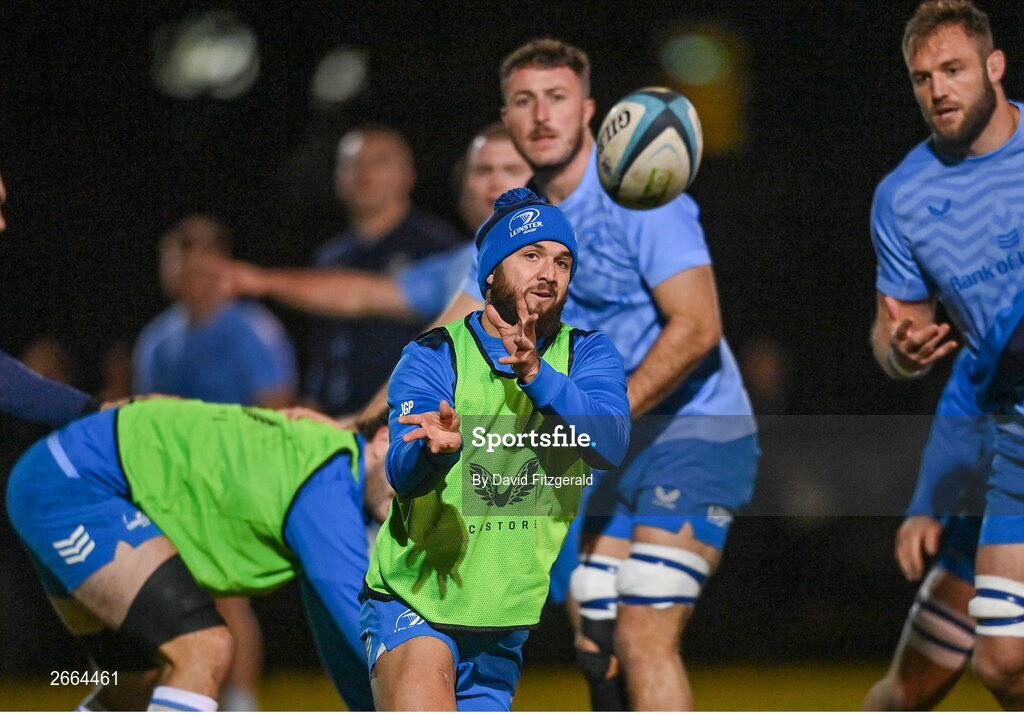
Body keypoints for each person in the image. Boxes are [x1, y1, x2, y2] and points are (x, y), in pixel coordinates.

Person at [417, 39, 759, 710]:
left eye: (558, 98)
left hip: (695, 433)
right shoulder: (518, 224)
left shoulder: (644, 192)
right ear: (506, 118)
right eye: (524, 100)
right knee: (595, 643)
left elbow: (698, 325)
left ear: (591, 113)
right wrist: (378, 414)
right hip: (608, 453)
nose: (541, 115)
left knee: (643, 633)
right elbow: (449, 330)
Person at [360, 188, 630, 711]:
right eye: (530, 256)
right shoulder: (435, 354)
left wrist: (535, 374)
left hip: (502, 622)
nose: (548, 272)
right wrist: (433, 453)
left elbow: (609, 444)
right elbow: (402, 470)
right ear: (489, 273)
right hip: (415, 601)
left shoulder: (588, 354)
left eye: (562, 260)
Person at [5, 399, 392, 712]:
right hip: (72, 486)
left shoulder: (328, 461)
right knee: (204, 648)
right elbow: (374, 643)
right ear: (383, 439)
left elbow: (354, 650)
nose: (418, 495)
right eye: (416, 470)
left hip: (62, 475)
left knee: (131, 690)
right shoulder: (329, 483)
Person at [869, 0, 1024, 706]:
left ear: (994, 66)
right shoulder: (903, 197)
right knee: (989, 666)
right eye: (921, 77)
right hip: (1005, 437)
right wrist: (901, 348)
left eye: (953, 69)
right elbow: (898, 338)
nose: (937, 90)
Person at [208, 123, 530, 327]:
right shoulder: (461, 263)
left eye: (512, 169)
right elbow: (360, 295)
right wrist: (261, 280)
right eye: (483, 171)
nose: (496, 182)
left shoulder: (573, 254)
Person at [864, 351, 991, 710]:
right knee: (903, 697)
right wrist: (929, 506)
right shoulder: (1003, 315)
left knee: (1003, 665)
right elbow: (963, 402)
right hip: (989, 531)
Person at [304, 125, 461, 414]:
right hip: (338, 415)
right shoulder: (329, 257)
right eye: (353, 163)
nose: (365, 173)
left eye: (380, 161)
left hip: (410, 416)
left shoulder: (436, 248)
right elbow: (323, 349)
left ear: (408, 176)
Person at [134, 215, 298, 409]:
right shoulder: (155, 339)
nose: (186, 276)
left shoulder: (255, 329)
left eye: (196, 270)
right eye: (174, 264)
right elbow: (147, 411)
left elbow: (276, 408)